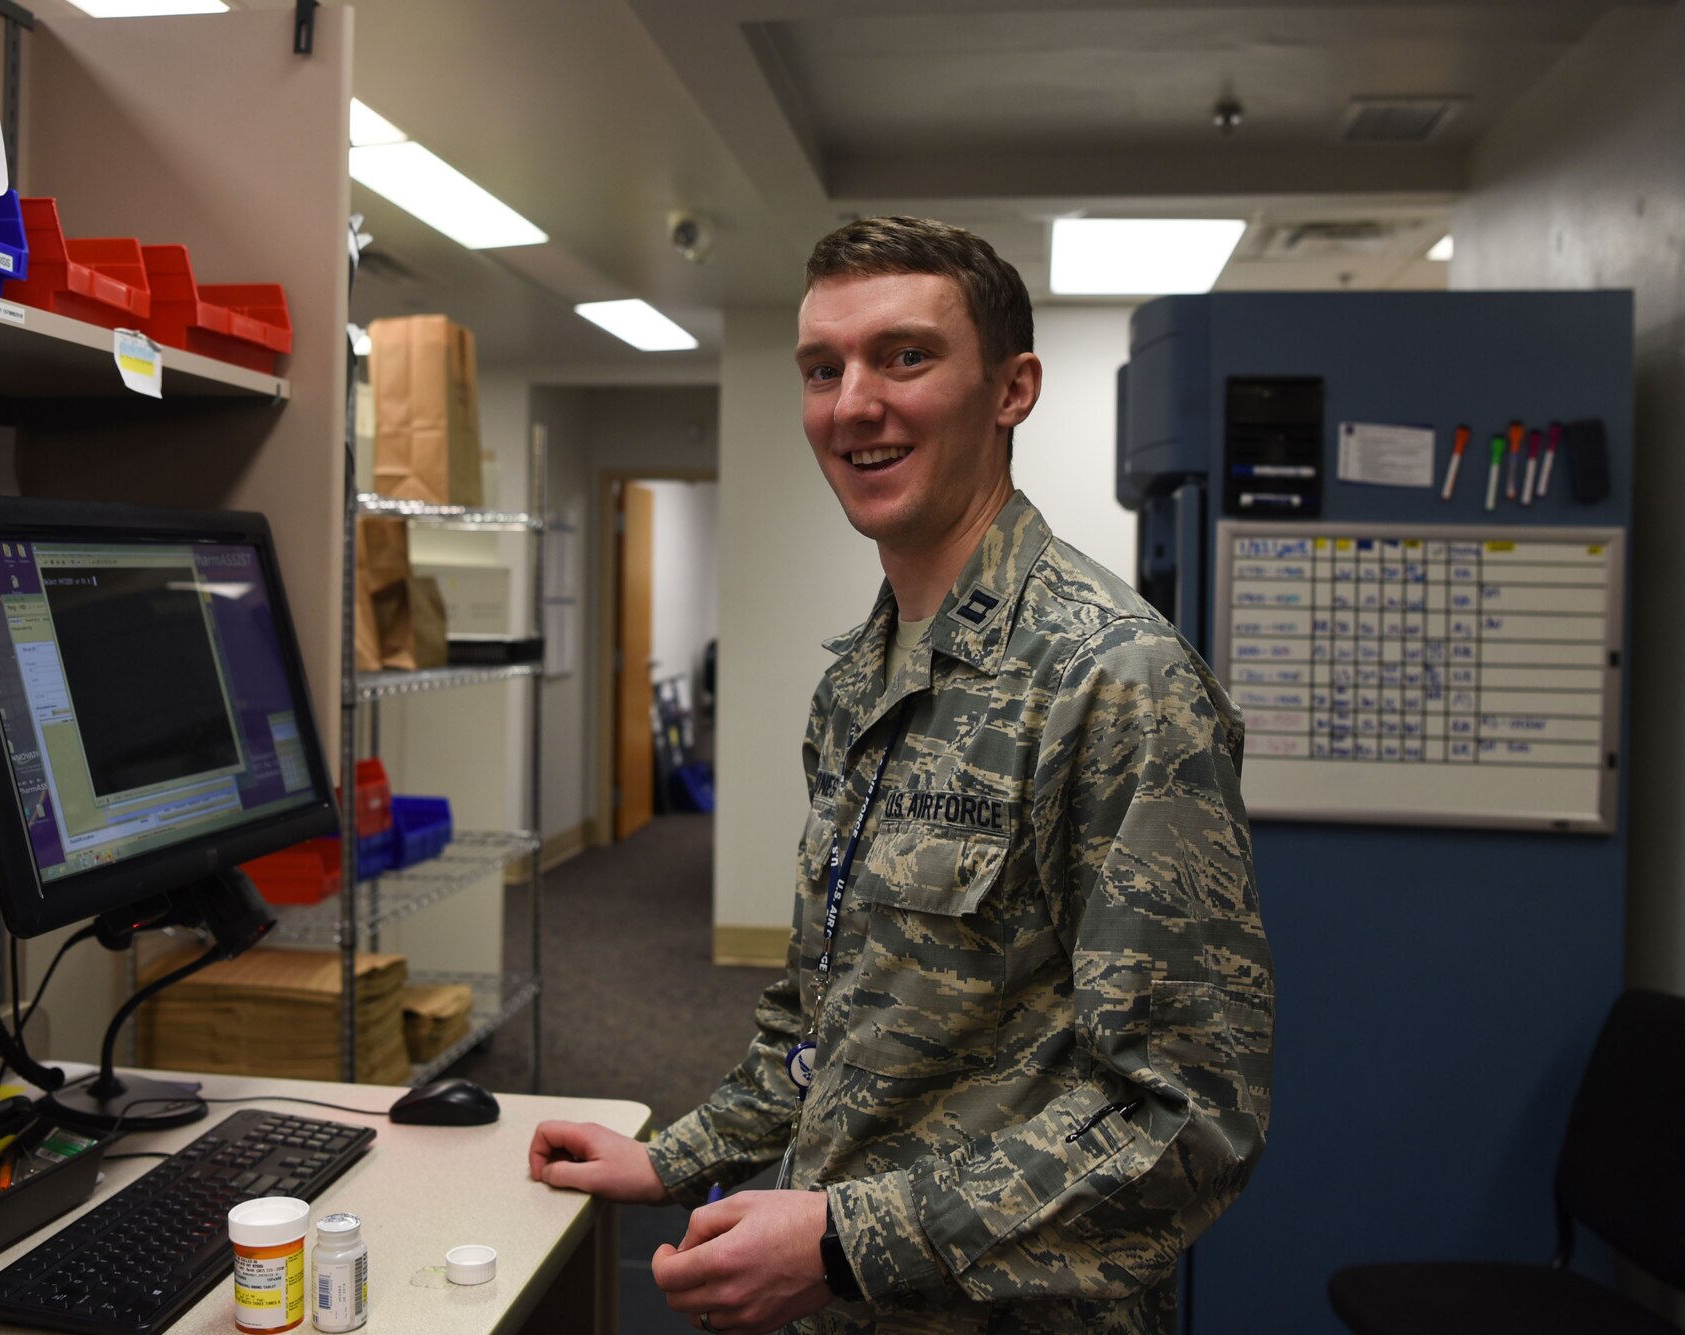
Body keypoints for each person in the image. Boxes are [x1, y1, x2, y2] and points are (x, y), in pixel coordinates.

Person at [529, 216, 1274, 1335]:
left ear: (1010, 389)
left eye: (904, 356)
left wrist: (843, 1242)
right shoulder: (860, 680)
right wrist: (670, 1158)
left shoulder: (1114, 680)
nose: (851, 404)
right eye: (822, 369)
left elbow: (1185, 1119)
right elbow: (826, 1019)